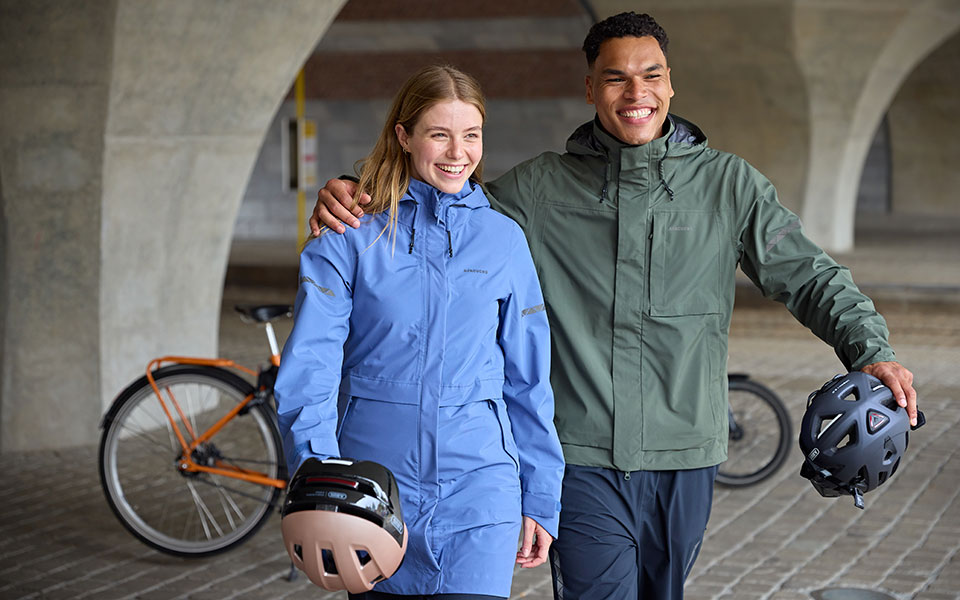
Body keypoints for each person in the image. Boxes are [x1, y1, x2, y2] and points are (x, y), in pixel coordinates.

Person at [310, 13, 918, 600]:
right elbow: (442, 202)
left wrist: (872, 350)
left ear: (670, 83)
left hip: (686, 456)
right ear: (590, 89)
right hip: (582, 460)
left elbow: (810, 276)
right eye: (615, 77)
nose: (636, 92)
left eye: (650, 75)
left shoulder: (729, 187)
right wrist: (352, 191)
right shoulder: (540, 189)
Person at [274, 65, 564, 600]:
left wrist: (540, 495)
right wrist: (317, 479)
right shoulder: (348, 234)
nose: (458, 152)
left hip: (481, 490)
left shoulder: (503, 240)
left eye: (471, 134)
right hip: (373, 491)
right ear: (404, 137)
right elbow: (309, 368)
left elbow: (529, 380)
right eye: (439, 134)